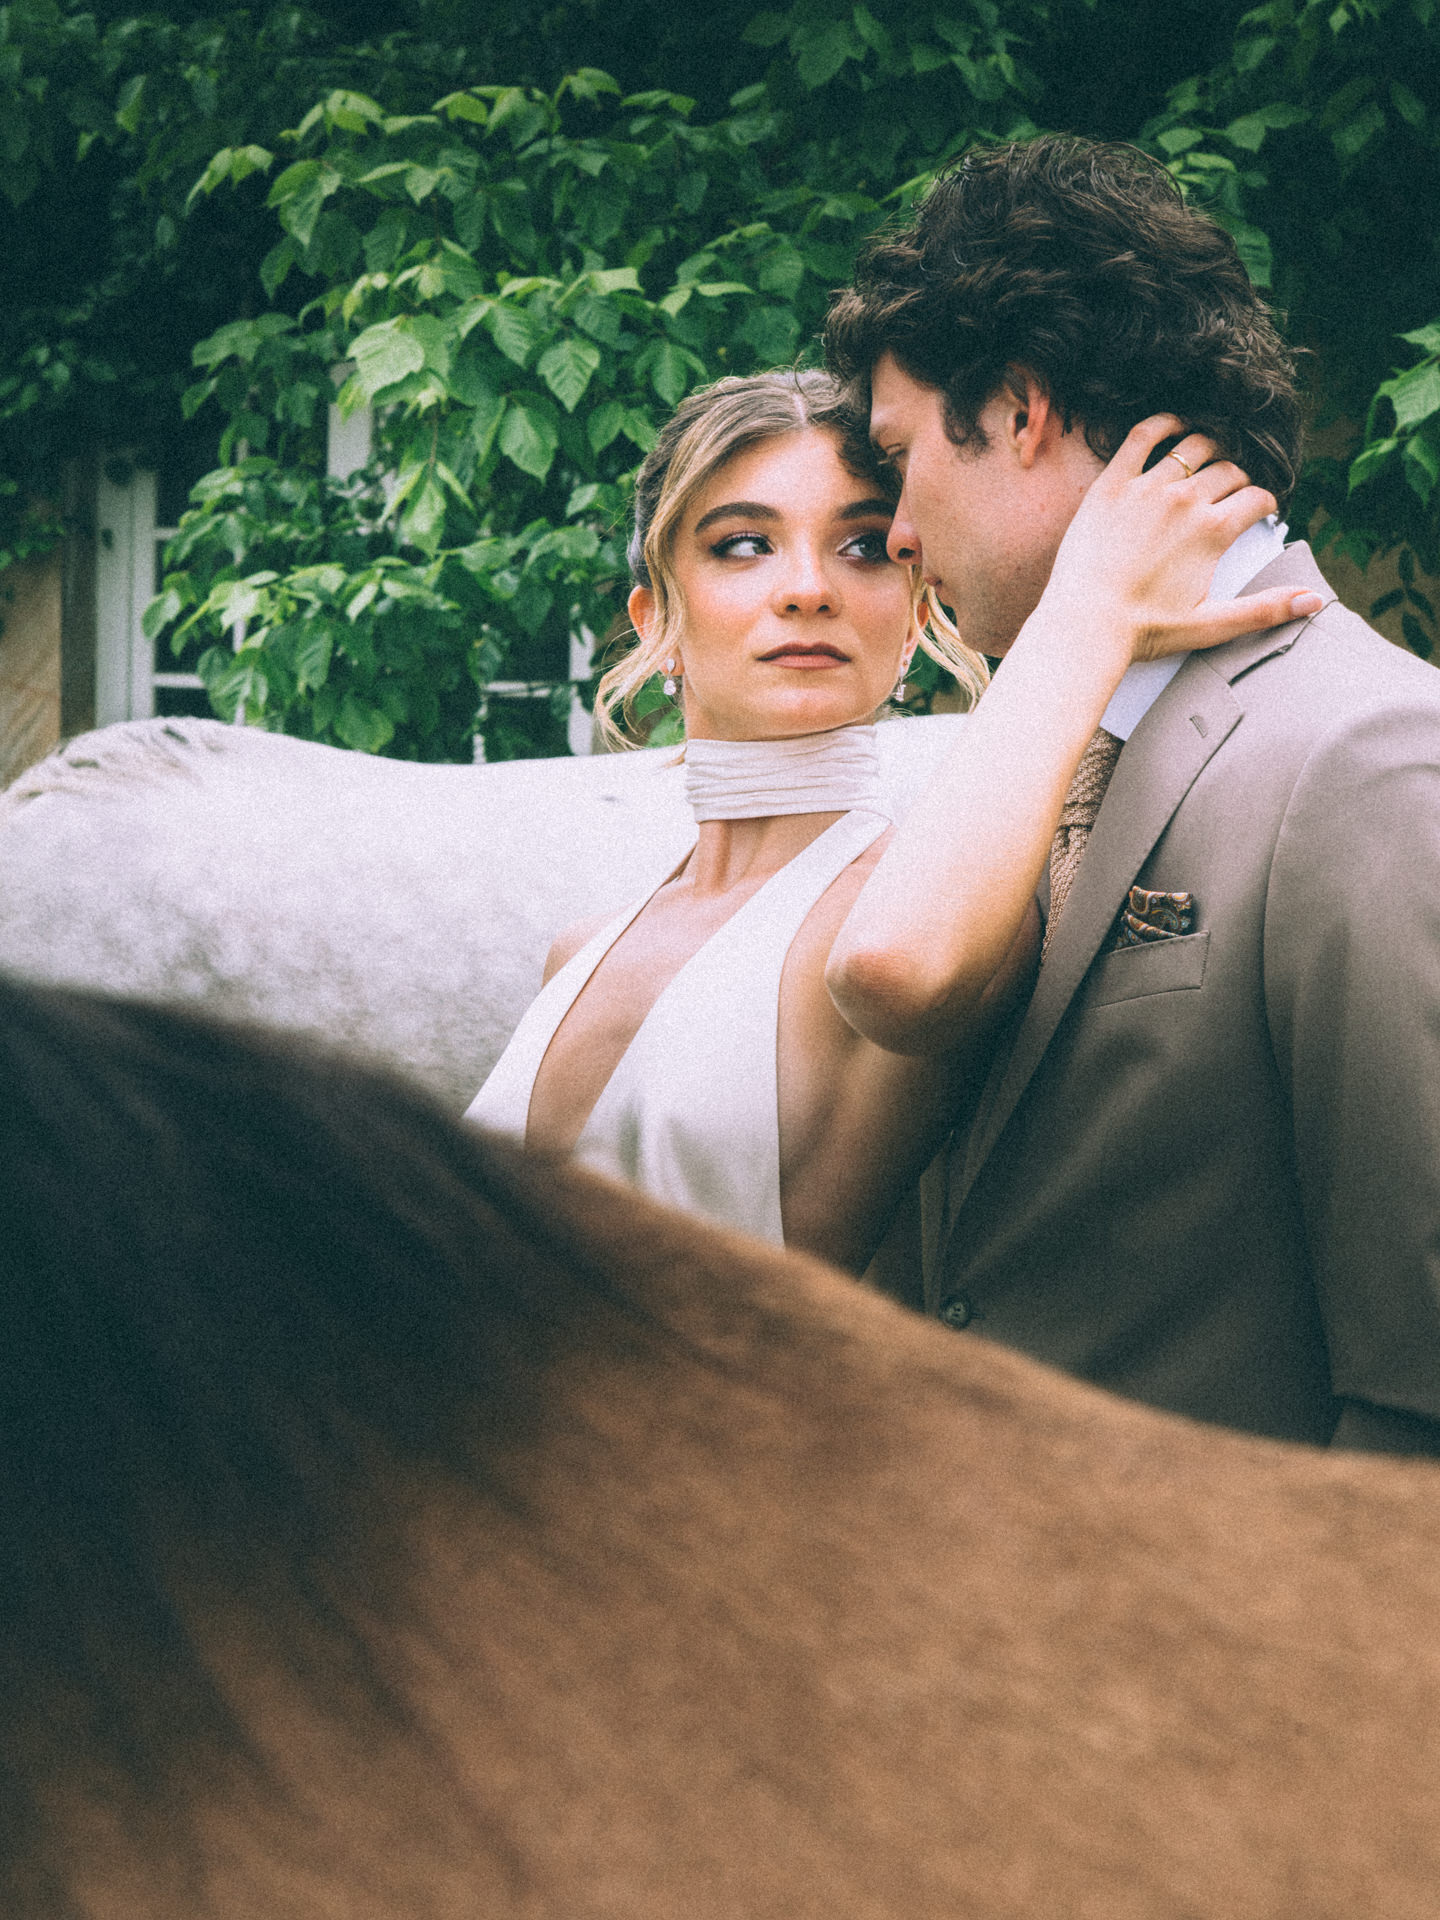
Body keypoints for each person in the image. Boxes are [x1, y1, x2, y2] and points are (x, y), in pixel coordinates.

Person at [11, 979, 1440, 1920]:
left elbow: (824, 1189)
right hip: (530, 1552)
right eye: (741, 576)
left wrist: (1087, 623)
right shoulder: (596, 939)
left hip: (733, 1557)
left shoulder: (893, 926)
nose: (806, 613)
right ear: (653, 628)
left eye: (875, 586)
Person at [823, 132, 1440, 1455]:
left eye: (901, 456)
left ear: (1021, 411)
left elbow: (1419, 1388)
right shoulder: (1025, 749)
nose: (901, 533)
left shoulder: (1371, 752)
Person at [466, 368, 1310, 1274]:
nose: (807, 589)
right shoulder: (578, 952)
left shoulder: (930, 921)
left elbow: (898, 975)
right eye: (744, 545)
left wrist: (1086, 612)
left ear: (914, 621)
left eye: (865, 547)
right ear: (654, 621)